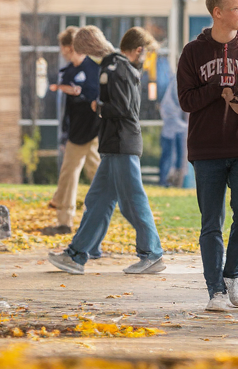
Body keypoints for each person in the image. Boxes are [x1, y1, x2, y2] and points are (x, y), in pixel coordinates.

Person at [177, 0, 238, 311]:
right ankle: (215, 290)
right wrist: (217, 87)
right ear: (217, 12)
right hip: (206, 149)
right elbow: (186, 101)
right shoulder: (192, 52)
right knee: (211, 223)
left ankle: (233, 274)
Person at [48, 26, 166, 275]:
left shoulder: (115, 67)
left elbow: (123, 109)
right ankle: (76, 255)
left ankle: (152, 254)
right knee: (98, 200)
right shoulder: (118, 65)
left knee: (132, 201)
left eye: (84, 51)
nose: (86, 57)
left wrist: (98, 105)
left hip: (121, 144)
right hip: (115, 144)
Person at [48, 26, 102, 234]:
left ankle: (67, 213)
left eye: (64, 50)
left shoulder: (94, 70)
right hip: (77, 132)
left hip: (92, 131)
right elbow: (67, 109)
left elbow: (94, 98)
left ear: (71, 48)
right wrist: (65, 132)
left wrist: (79, 94)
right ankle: (64, 218)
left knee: (85, 173)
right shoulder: (68, 73)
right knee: (76, 172)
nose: (63, 54)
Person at [159, 73, 188, 187]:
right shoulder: (179, 80)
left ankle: (172, 182)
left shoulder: (177, 80)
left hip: (175, 126)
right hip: (175, 126)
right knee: (173, 158)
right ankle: (168, 183)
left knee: (175, 158)